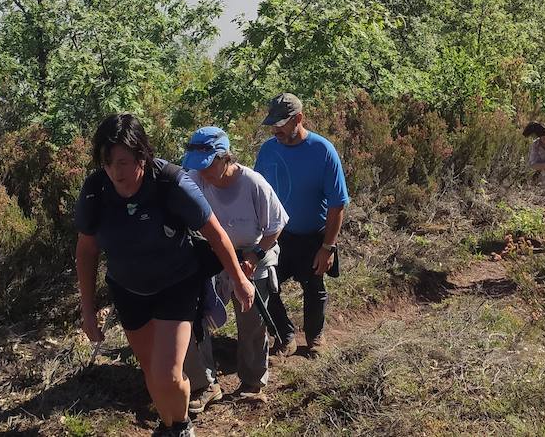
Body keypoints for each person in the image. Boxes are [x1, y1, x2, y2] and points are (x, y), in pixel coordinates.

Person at [75, 114, 255, 437]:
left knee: (169, 375)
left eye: (124, 162)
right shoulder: (95, 191)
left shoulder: (172, 183)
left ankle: (182, 425)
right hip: (129, 290)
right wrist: (87, 311)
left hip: (177, 284)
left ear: (142, 156)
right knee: (151, 374)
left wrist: (239, 280)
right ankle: (169, 425)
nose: (116, 172)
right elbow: (86, 251)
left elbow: (215, 233)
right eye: (108, 163)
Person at [179, 127, 289, 413]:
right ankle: (206, 384)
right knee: (195, 314)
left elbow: (275, 227)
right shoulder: (194, 180)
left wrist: (253, 257)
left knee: (252, 320)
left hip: (253, 252)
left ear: (225, 158)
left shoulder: (253, 183)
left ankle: (252, 383)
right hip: (213, 255)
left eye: (208, 166)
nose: (203, 173)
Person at [253, 93, 349, 357]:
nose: (276, 130)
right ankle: (285, 336)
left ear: (298, 119)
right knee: (263, 284)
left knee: (314, 287)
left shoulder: (322, 150)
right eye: (273, 124)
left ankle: (315, 339)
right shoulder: (268, 150)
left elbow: (337, 204)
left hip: (313, 236)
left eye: (281, 124)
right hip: (278, 235)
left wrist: (327, 247)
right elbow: (258, 193)